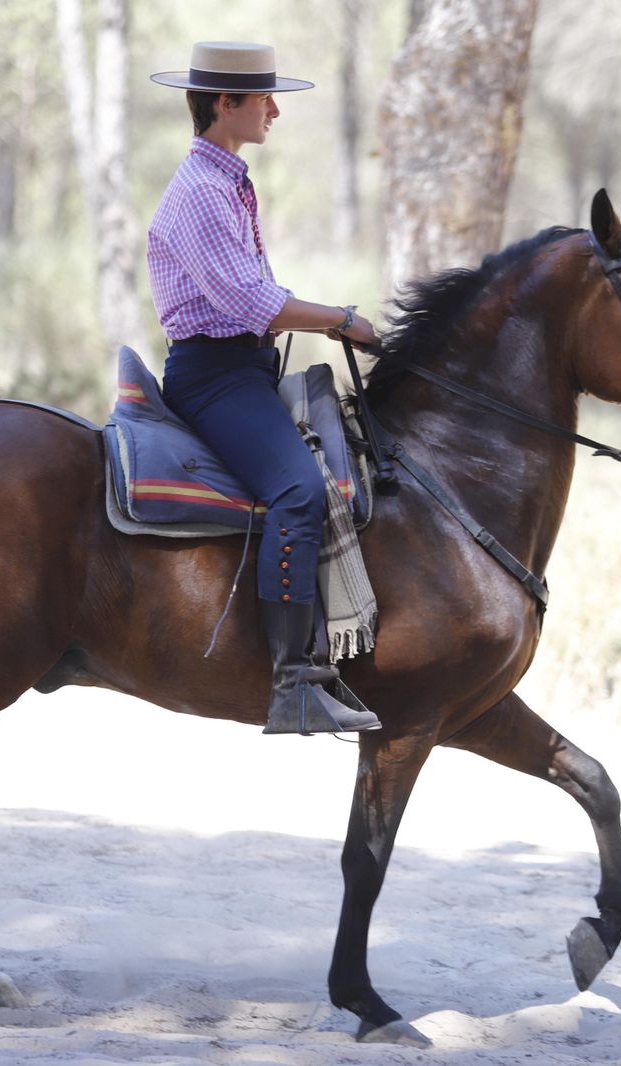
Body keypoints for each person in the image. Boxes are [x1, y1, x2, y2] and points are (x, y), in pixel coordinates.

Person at [148, 41, 382, 736]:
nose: (275, 110)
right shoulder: (199, 194)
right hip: (215, 378)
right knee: (299, 490)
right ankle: (292, 683)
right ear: (226, 104)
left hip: (245, 370)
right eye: (264, 99)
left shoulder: (229, 183)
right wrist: (342, 319)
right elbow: (258, 305)